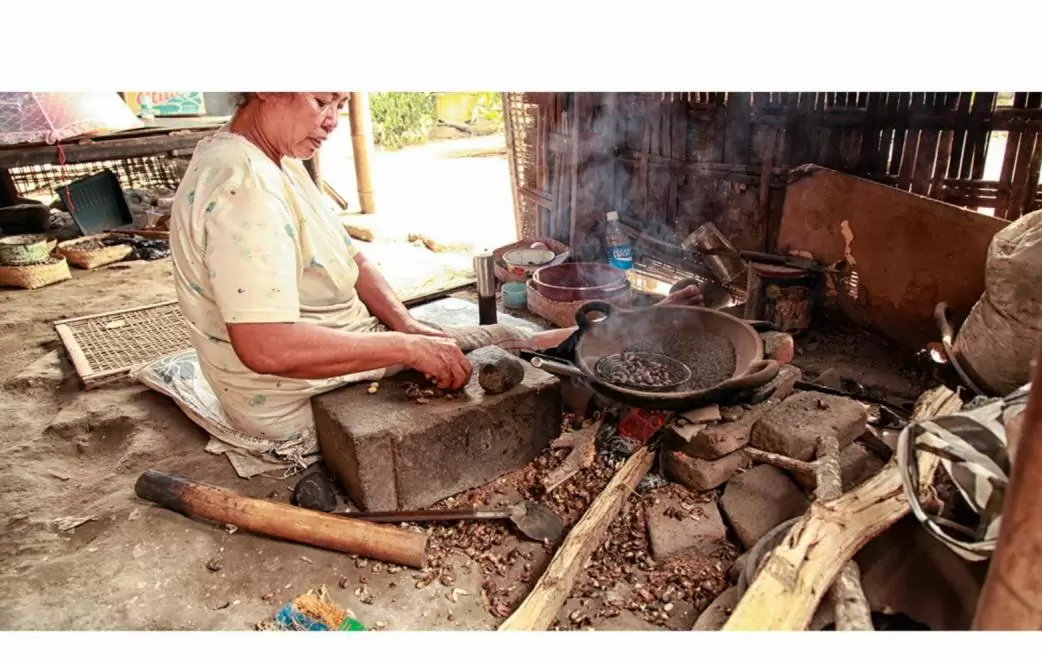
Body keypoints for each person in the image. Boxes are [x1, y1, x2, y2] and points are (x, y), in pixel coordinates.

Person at [169, 92, 702, 452]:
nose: (331, 119)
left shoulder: (273, 158)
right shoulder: (244, 187)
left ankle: (631, 328)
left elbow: (350, 258)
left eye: (339, 102)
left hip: (343, 340)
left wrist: (404, 324)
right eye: (319, 100)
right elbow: (267, 347)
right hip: (292, 397)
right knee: (505, 359)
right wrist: (405, 350)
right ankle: (627, 333)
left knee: (498, 336)